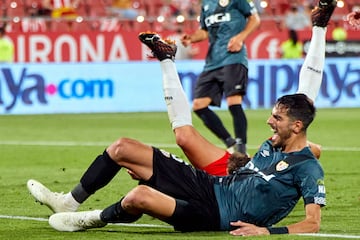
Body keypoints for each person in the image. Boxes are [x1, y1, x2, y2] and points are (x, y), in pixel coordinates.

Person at [27, 0, 336, 235]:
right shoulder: (277, 144)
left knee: (140, 195)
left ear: (297, 126)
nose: (269, 122)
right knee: (122, 147)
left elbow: (313, 222)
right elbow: (303, 100)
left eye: (277, 118)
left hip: (217, 213)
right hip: (217, 183)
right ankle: (70, 201)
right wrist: (319, 28)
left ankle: (91, 219)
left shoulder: (307, 166)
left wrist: (266, 231)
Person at [180, 0, 261, 154]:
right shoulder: (206, 4)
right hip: (212, 62)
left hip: (233, 58)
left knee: (233, 102)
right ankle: (229, 142)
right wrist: (191, 38)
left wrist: (240, 37)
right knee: (199, 105)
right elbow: (204, 31)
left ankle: (241, 149)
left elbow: (255, 19)